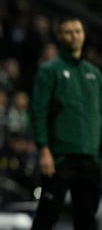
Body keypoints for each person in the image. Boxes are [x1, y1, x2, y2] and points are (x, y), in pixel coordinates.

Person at [30, 17, 102, 230]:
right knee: (46, 217)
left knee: (87, 220)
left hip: (90, 157)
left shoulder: (95, 74)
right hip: (59, 157)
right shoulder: (49, 71)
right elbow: (38, 112)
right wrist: (44, 150)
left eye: (78, 31)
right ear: (60, 36)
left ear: (84, 35)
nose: (74, 35)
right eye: (69, 32)